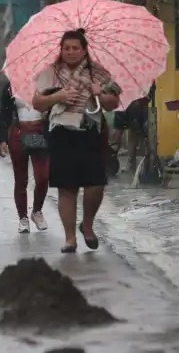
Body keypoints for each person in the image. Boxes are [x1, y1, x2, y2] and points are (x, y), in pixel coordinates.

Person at [32, 29, 121, 253]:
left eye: (75, 48)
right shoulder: (50, 73)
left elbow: (113, 104)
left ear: (84, 50)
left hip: (90, 131)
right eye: (66, 48)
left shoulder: (98, 73)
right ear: (61, 50)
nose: (71, 52)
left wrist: (99, 92)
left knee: (95, 184)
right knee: (66, 187)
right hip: (61, 133)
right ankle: (70, 238)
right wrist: (58, 97)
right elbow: (37, 103)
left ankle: (88, 225)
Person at [0, 82, 49, 233]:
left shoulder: (47, 83)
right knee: (21, 179)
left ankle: (37, 211)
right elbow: (4, 113)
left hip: (38, 132)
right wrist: (2, 140)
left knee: (43, 176)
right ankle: (23, 218)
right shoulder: (10, 85)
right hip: (20, 132)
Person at [110, 95, 149, 173]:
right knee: (120, 133)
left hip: (134, 102)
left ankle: (131, 163)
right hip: (125, 101)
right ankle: (111, 159)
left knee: (133, 132)